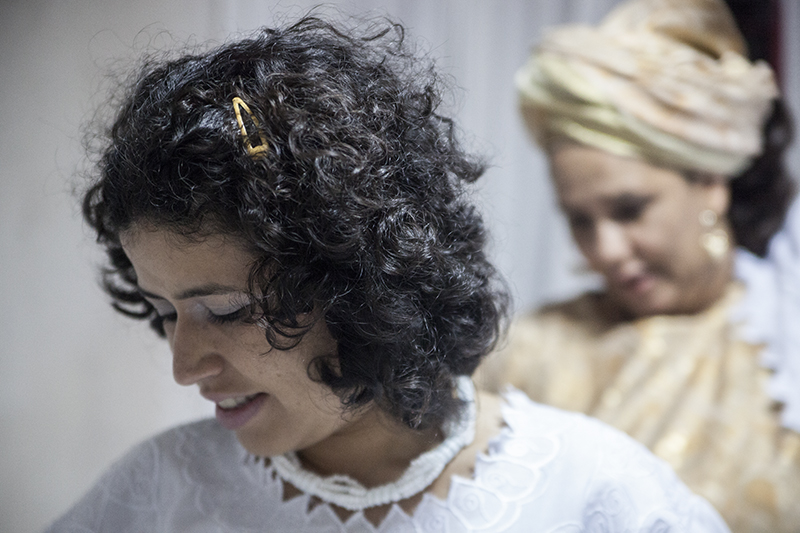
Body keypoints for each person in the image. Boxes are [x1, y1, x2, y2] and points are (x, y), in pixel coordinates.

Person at [46, 15, 731, 532]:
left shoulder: (594, 493)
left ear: (362, 284)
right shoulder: (158, 494)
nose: (185, 366)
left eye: (225, 310)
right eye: (165, 313)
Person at [477, 0, 800, 531]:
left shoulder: (783, 352)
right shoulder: (526, 353)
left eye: (629, 210)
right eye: (580, 220)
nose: (604, 249)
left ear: (710, 183)